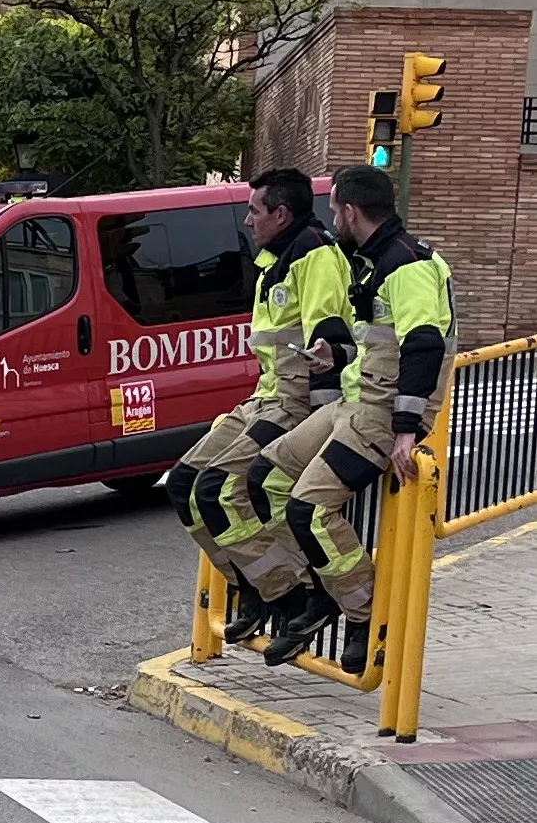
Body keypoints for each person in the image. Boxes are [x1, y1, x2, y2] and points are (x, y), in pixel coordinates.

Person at [235, 164, 453, 668]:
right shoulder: (374, 262)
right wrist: (339, 358)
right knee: (264, 476)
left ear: (350, 211)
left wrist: (405, 431)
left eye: (334, 210)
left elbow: (423, 345)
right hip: (355, 402)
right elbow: (382, 344)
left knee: (309, 508)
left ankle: (362, 609)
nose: (332, 219)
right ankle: (320, 589)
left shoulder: (407, 266)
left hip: (382, 414)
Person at [168, 169, 347, 637]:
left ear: (281, 213)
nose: (247, 220)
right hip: (265, 396)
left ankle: (292, 597)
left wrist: (320, 430)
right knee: (184, 483)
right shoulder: (277, 258)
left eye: (254, 210)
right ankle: (254, 588)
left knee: (220, 490)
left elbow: (329, 343)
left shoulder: (316, 257)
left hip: (295, 400)